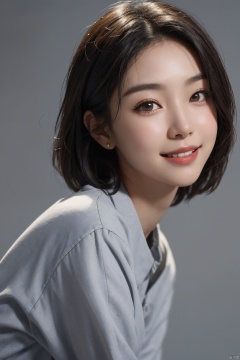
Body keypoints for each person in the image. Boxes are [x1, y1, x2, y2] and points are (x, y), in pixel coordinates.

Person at [0, 1, 235, 359]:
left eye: (197, 94)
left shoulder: (157, 258)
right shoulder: (91, 229)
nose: (183, 126)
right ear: (100, 129)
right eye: (148, 104)